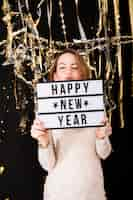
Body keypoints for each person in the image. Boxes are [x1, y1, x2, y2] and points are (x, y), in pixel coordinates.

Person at [31, 48, 112, 200]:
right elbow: (47, 164)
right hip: (58, 193)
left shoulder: (95, 106)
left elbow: (104, 153)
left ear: (82, 74)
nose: (68, 72)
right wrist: (44, 142)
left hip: (92, 193)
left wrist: (102, 137)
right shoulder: (46, 110)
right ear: (55, 76)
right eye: (62, 67)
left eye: (75, 67)